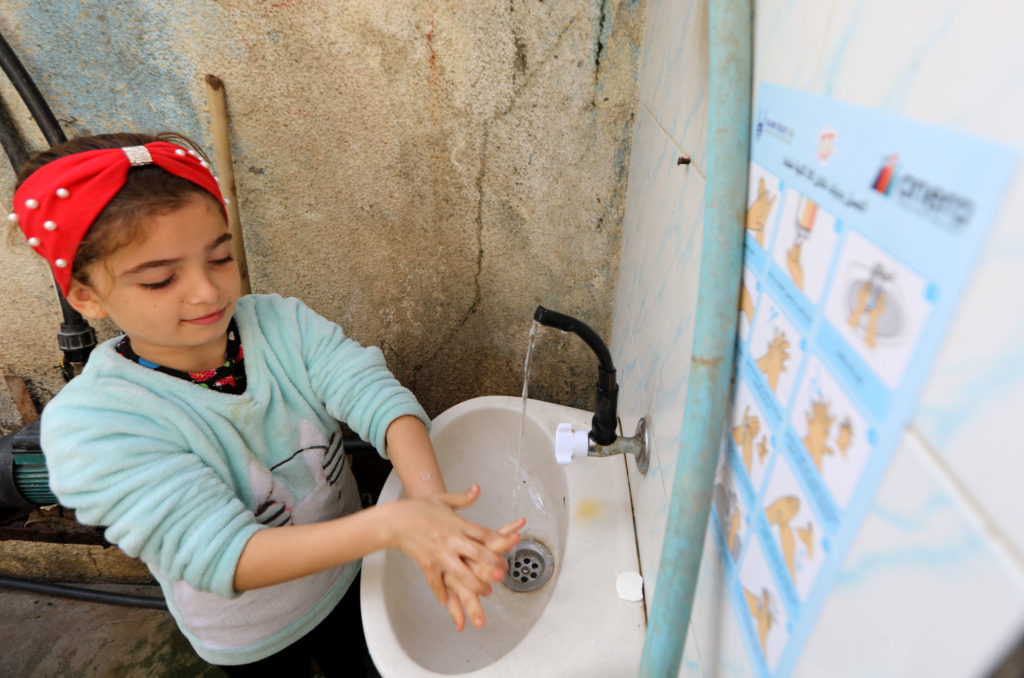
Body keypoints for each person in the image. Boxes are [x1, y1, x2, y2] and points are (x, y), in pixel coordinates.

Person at [8, 132, 524, 675]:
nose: (207, 292)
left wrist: (430, 505)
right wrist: (397, 526)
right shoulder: (96, 426)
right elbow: (222, 554)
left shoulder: (280, 324)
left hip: (352, 577)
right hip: (249, 633)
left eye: (220, 256)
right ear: (85, 296)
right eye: (161, 280)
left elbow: (376, 397)